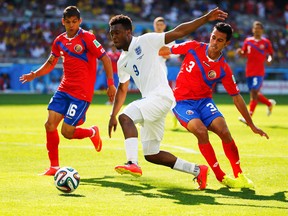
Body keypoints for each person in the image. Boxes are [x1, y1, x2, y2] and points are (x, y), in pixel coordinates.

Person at [108, 8, 228, 190]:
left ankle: (132, 162)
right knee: (152, 154)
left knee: (126, 117)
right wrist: (112, 114)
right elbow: (122, 88)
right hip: (152, 102)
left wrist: (205, 19)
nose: (114, 37)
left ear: (128, 32)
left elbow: (178, 32)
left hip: (161, 96)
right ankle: (197, 170)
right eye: (111, 34)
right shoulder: (122, 61)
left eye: (117, 33)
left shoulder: (146, 41)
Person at [159, 22, 269, 188]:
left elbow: (237, 97)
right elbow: (163, 51)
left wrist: (251, 124)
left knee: (224, 131)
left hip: (204, 101)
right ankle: (220, 176)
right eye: (213, 37)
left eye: (220, 40)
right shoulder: (193, 46)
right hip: (182, 102)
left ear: (226, 43)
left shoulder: (223, 68)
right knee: (201, 131)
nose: (214, 42)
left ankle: (239, 174)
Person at [19, 6, 116, 176]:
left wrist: (110, 84)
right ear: (63, 22)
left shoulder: (87, 38)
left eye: (74, 21)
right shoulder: (59, 41)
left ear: (80, 21)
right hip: (64, 89)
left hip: (81, 93)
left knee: (67, 132)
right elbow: (51, 63)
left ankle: (92, 132)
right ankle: (54, 167)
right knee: (49, 125)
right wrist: (34, 74)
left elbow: (105, 58)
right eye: (68, 22)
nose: (71, 25)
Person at [236, 21, 275, 124]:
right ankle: (269, 103)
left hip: (259, 72)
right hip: (249, 71)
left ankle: (248, 117)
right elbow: (244, 54)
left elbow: (270, 54)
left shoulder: (266, 42)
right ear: (253, 30)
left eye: (259, 28)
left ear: (262, 30)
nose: (257, 30)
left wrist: (270, 59)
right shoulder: (248, 41)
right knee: (254, 94)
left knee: (254, 92)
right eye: (255, 28)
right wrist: (240, 52)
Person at [153, 16, 179, 130]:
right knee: (151, 93)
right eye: (157, 24)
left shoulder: (168, 38)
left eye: (161, 25)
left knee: (163, 93)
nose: (159, 26)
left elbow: (171, 54)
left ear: (164, 26)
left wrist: (162, 53)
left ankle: (175, 112)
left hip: (160, 68)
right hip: (148, 69)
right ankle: (147, 119)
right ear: (154, 25)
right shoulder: (150, 37)